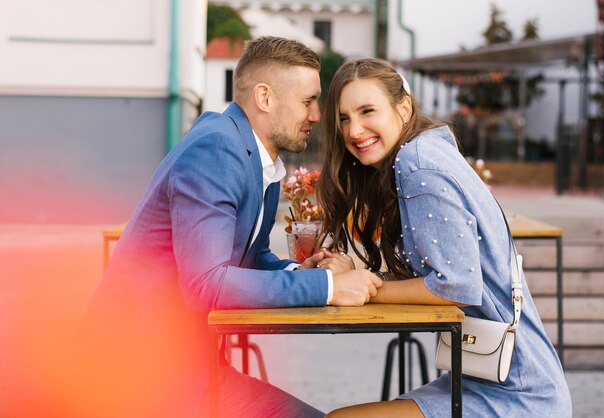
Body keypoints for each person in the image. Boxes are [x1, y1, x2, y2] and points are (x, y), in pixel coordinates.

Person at [75, 37, 382, 418]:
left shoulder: (252, 154)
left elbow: (250, 257)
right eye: (308, 101)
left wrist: (301, 271)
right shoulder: (217, 150)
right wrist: (330, 287)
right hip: (139, 378)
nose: (318, 115)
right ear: (265, 98)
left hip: (185, 371)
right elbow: (206, 283)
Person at [315, 58, 572, 417]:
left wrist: (362, 288)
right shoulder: (427, 151)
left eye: (367, 111)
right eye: (344, 118)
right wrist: (352, 275)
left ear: (403, 108)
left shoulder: (417, 163)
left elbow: (456, 286)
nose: (354, 130)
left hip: (516, 390)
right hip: (486, 374)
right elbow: (441, 277)